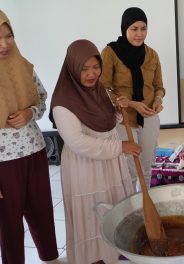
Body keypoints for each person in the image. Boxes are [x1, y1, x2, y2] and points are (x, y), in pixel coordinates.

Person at [49, 39, 140, 264]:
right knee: (92, 217)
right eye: (84, 68)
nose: (91, 74)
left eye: (95, 67)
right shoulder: (63, 103)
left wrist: (118, 111)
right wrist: (120, 147)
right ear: (72, 67)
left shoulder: (100, 90)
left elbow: (106, 124)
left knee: (114, 210)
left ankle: (114, 256)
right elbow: (79, 143)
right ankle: (95, 259)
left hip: (110, 163)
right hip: (86, 168)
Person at [0, 10, 58, 264]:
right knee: (8, 220)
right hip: (3, 161)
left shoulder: (24, 67)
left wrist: (29, 113)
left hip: (34, 150)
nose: (4, 45)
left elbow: (42, 100)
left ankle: (50, 257)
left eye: (8, 36)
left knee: (42, 210)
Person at [100, 7, 165, 190]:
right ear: (124, 28)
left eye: (143, 28)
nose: (139, 34)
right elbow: (102, 87)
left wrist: (158, 100)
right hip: (124, 119)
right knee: (128, 170)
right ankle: (130, 211)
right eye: (134, 29)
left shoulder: (152, 54)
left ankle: (146, 207)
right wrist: (129, 103)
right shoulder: (110, 52)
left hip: (149, 117)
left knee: (146, 168)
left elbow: (159, 87)